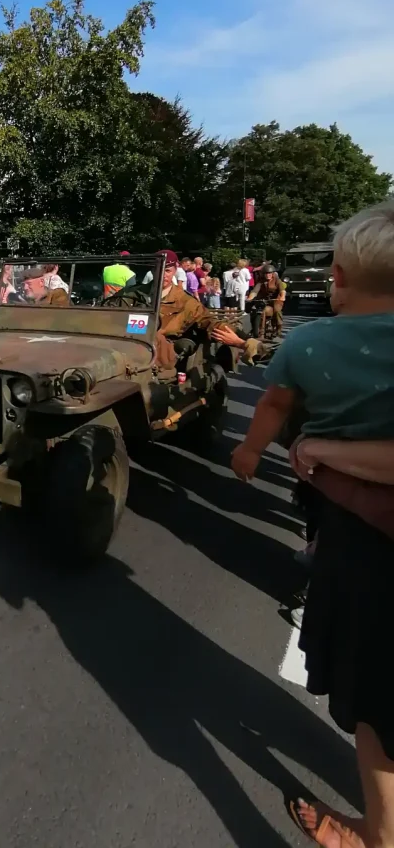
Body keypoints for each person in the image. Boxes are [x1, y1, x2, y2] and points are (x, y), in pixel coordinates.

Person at [231, 200, 394, 848]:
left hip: (361, 537)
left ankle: (380, 834)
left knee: (375, 697)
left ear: (340, 278)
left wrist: (251, 451)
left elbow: (274, 403)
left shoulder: (308, 344)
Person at [247, 264, 286, 338]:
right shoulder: (261, 282)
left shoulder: (277, 281)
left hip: (276, 300)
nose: (268, 275)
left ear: (273, 274)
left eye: (269, 273)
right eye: (266, 273)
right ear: (263, 274)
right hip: (265, 301)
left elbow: (282, 290)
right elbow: (255, 291)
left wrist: (282, 297)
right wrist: (250, 298)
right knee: (259, 310)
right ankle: (258, 329)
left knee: (277, 311)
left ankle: (278, 328)